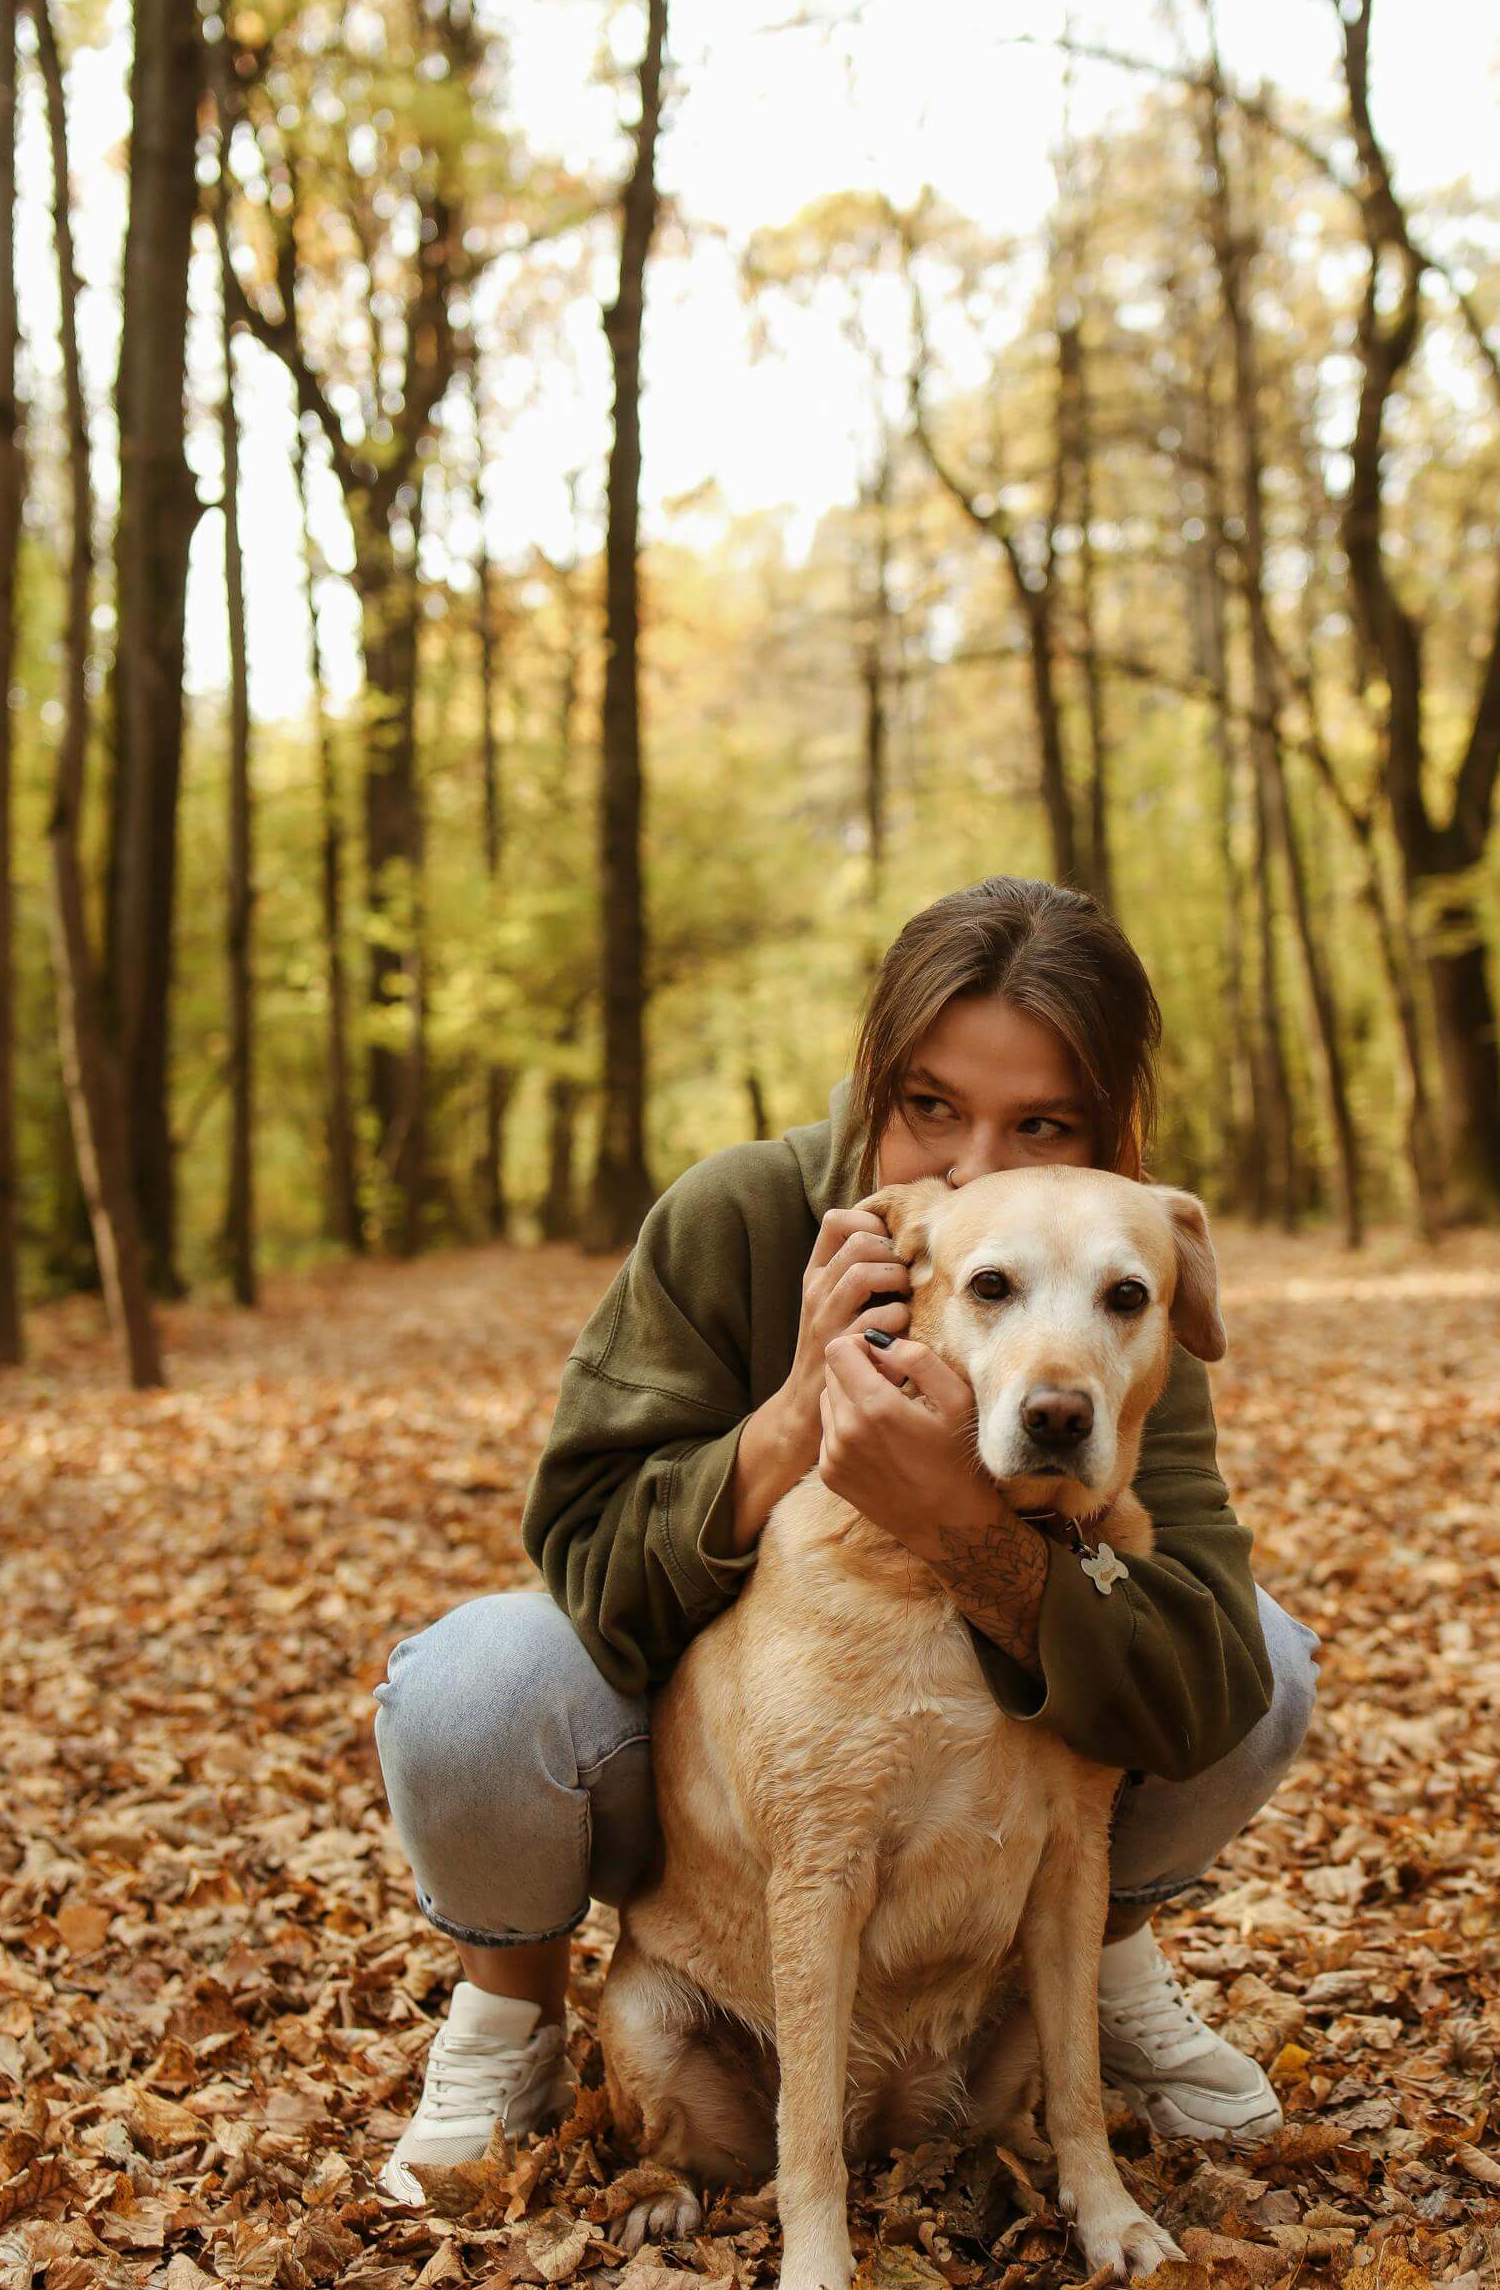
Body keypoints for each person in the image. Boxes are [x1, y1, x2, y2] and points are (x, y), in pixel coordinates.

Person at [373, 877, 1320, 2205]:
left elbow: (1205, 1668)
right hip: (709, 1769)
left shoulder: (1103, 1291)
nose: (974, 1171)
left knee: (1267, 1666)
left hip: (985, 1788)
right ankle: (507, 2021)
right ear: (874, 1076)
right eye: (931, 1108)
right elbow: (584, 1554)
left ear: (1106, 1133)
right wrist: (792, 1422)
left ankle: (1095, 1965)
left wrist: (966, 1529)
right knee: (474, 1686)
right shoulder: (736, 1215)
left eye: (1039, 1123)